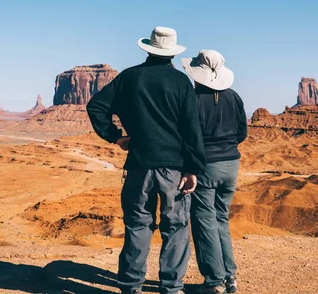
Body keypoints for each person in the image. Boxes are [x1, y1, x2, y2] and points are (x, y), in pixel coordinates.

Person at [87, 26, 207, 294]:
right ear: (172, 53)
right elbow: (192, 128)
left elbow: (96, 106)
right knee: (175, 228)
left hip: (139, 165)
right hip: (174, 169)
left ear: (149, 49)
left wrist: (116, 137)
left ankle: (130, 286)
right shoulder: (180, 82)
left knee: (138, 226)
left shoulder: (129, 78)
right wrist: (193, 168)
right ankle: (172, 287)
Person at [181, 50, 247, 294]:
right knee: (221, 217)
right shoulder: (234, 97)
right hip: (232, 164)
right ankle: (230, 276)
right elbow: (242, 132)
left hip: (206, 166)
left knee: (204, 219)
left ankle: (214, 281)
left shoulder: (194, 99)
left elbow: (188, 137)